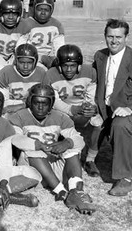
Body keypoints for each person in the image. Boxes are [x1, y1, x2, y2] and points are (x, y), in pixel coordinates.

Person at [9, 84, 96, 215]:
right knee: (34, 151)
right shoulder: (19, 116)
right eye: (36, 102)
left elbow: (79, 140)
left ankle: (75, 191)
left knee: (72, 149)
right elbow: (15, 139)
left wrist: (67, 143)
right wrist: (39, 145)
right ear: (30, 102)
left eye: (44, 103)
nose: (40, 107)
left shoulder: (61, 117)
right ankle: (60, 190)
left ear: (51, 104)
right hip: (31, 167)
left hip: (52, 166)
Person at [43, 44, 102, 177]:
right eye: (65, 65)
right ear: (59, 66)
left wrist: (90, 107)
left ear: (79, 66)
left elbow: (92, 95)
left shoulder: (90, 72)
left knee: (99, 123)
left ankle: (90, 159)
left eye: (73, 65)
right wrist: (71, 109)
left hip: (82, 106)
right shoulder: (51, 75)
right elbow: (54, 101)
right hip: (61, 109)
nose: (69, 69)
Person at [92, 19, 132, 196]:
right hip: (106, 109)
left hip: (128, 111)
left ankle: (124, 178)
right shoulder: (100, 56)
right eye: (110, 36)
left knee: (120, 124)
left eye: (119, 37)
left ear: (126, 37)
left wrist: (131, 108)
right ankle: (88, 159)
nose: (114, 41)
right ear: (105, 36)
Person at [0, 44, 46, 117]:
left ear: (35, 62)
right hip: (11, 106)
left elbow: (45, 100)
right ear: (16, 61)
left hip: (34, 107)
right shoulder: (5, 73)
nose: (25, 66)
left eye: (29, 63)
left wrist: (23, 106)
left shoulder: (42, 73)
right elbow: (2, 101)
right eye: (22, 62)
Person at [17, 0, 65, 69]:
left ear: (51, 10)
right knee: (43, 71)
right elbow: (20, 46)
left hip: (49, 56)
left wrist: (58, 59)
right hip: (30, 56)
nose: (43, 12)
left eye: (46, 10)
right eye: (40, 9)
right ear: (34, 9)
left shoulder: (56, 25)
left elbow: (59, 47)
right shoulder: (26, 23)